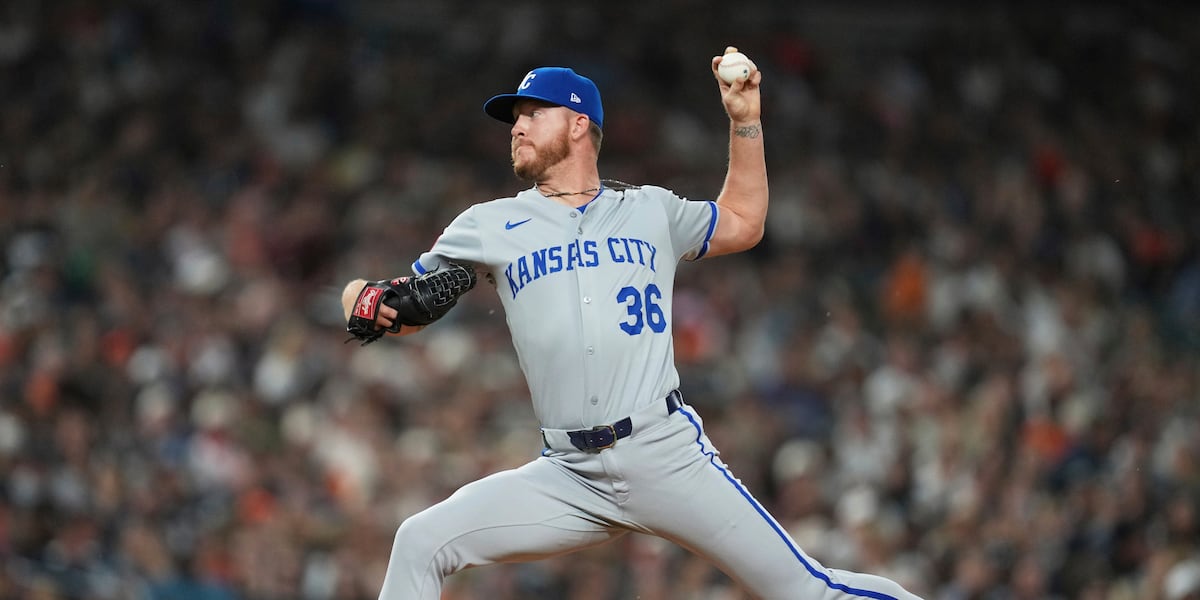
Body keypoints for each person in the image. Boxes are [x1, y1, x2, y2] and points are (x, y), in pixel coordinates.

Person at [341, 49, 923, 600]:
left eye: (530, 114)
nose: (515, 127)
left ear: (577, 123)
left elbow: (744, 221)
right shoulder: (488, 225)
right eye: (513, 118)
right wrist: (362, 302)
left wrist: (745, 122)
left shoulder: (649, 209)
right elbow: (391, 305)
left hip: (662, 452)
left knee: (806, 591)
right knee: (419, 541)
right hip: (568, 474)